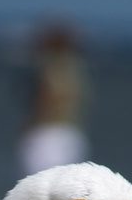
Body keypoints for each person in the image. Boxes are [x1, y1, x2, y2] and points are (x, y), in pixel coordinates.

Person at [18, 22, 90, 176]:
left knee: (38, 179)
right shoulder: (76, 66)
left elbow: (47, 96)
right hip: (70, 130)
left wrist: (29, 122)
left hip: (48, 131)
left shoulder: (51, 65)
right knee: (65, 182)